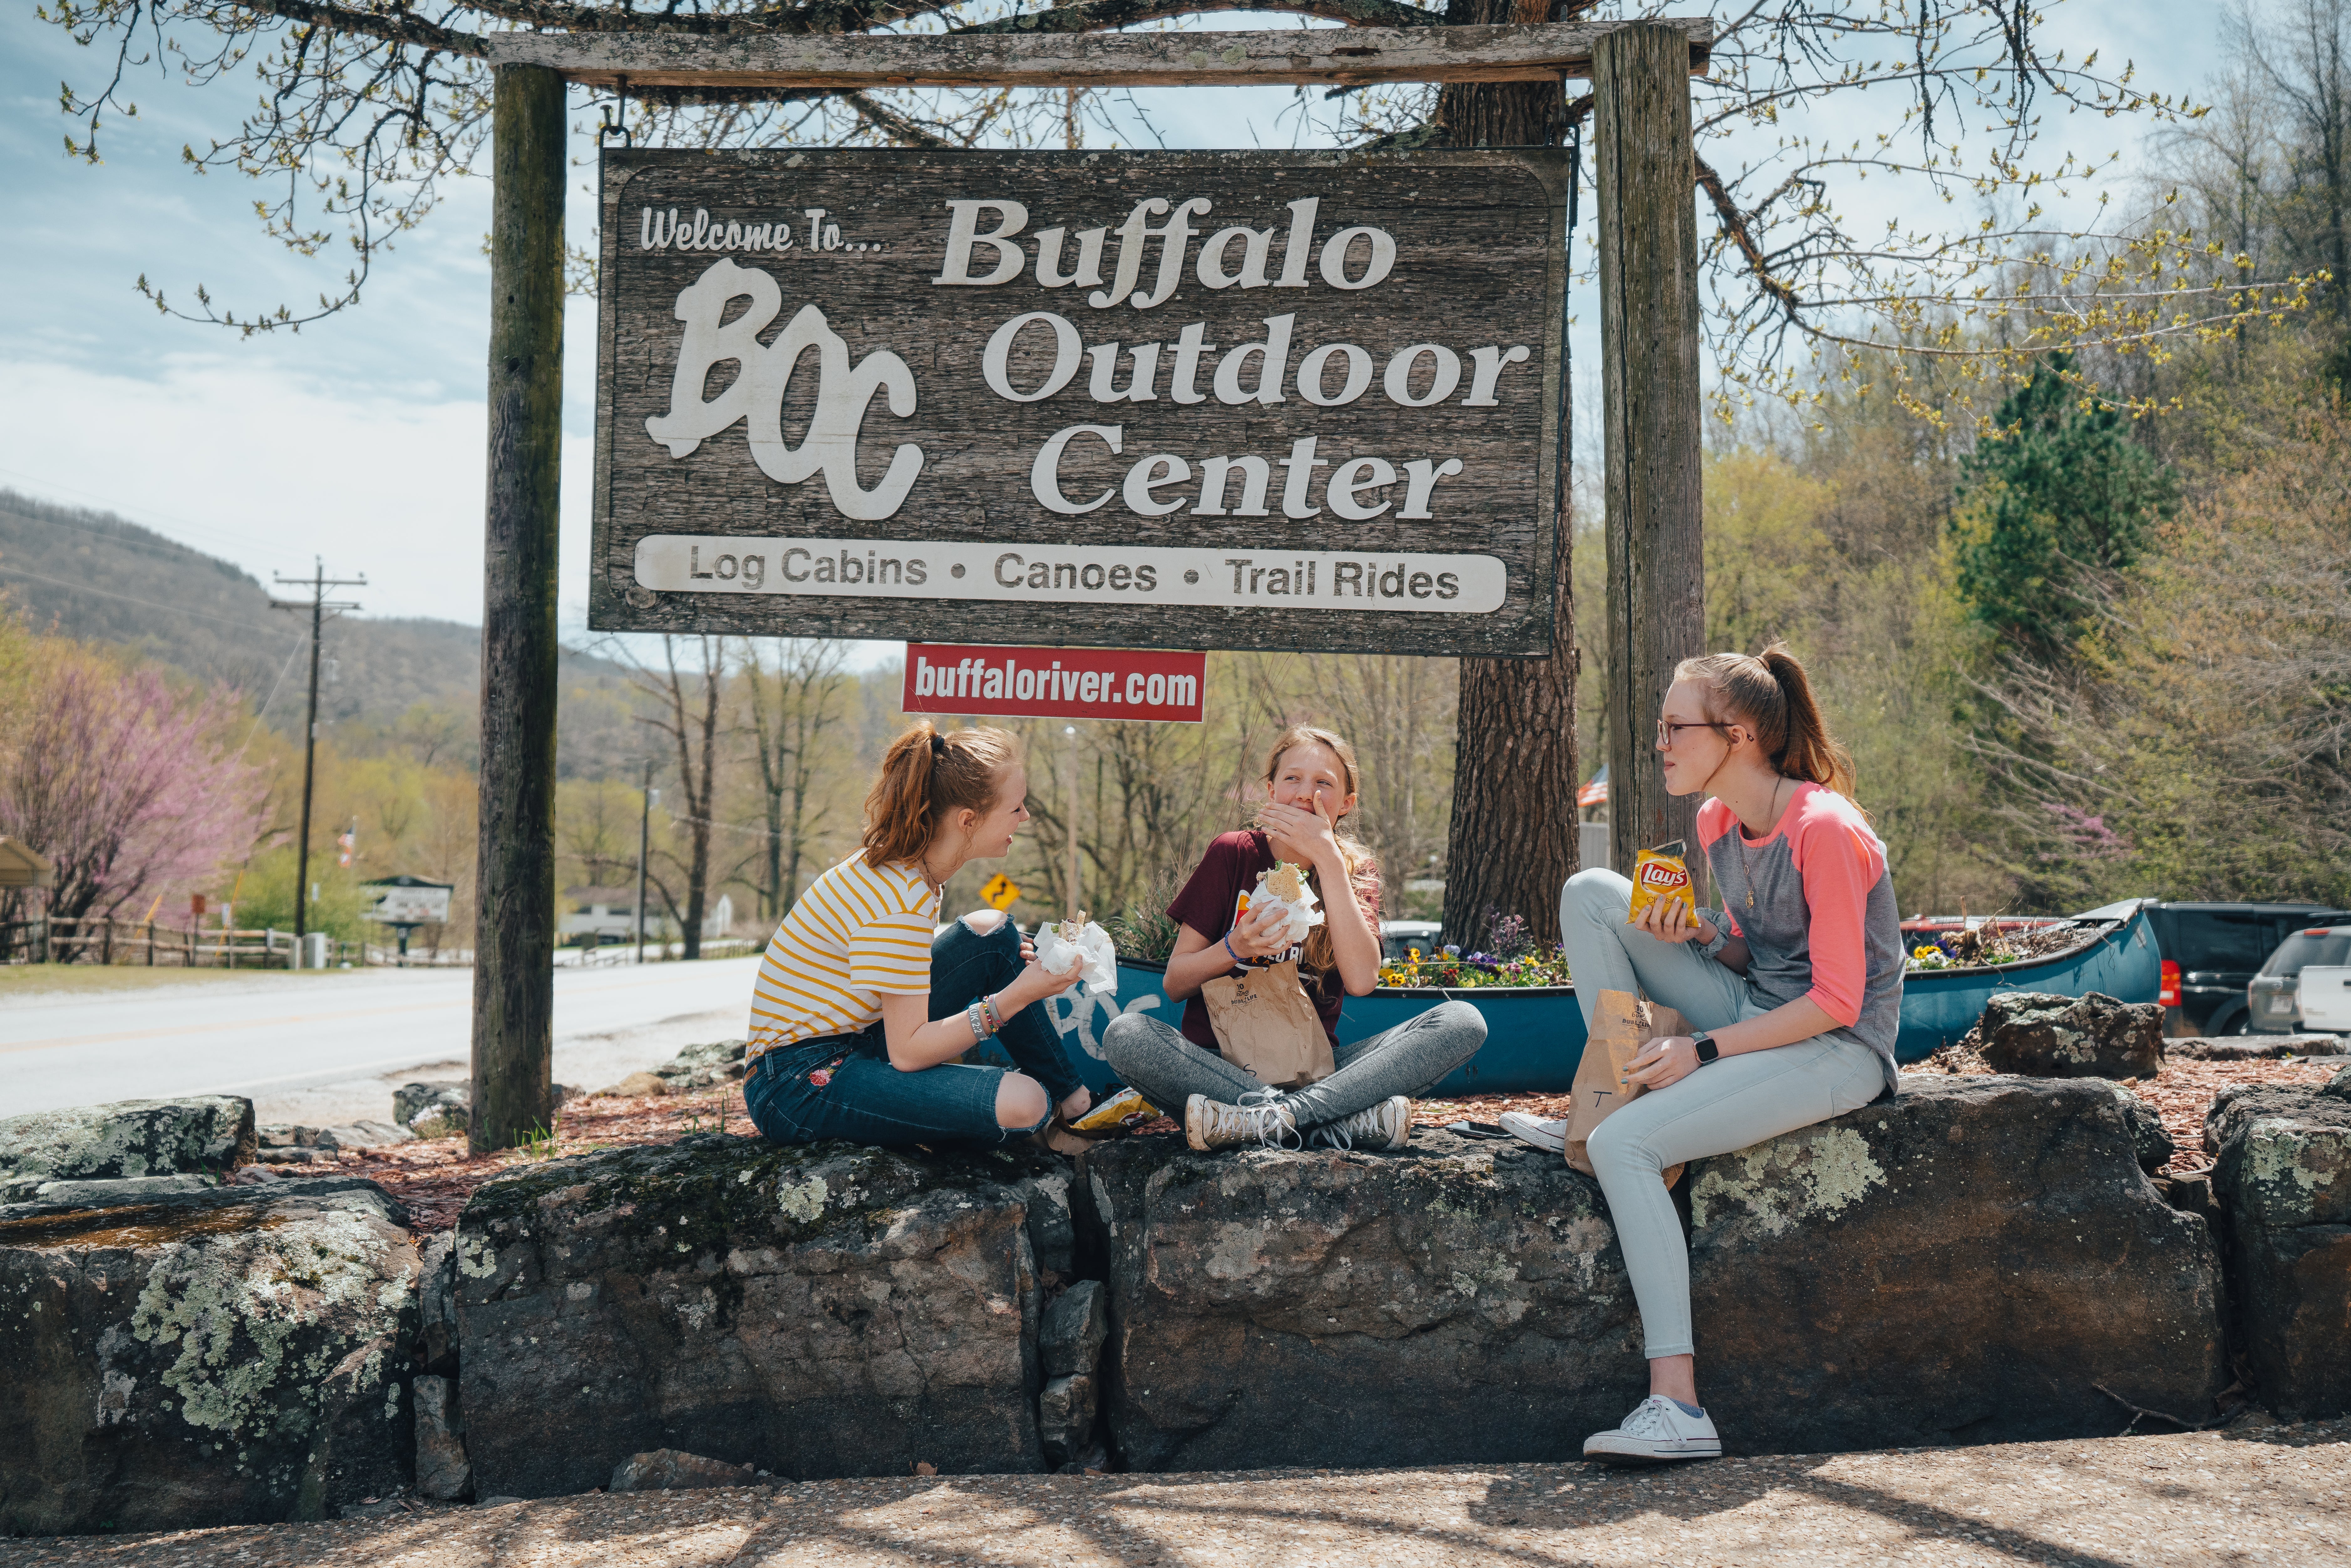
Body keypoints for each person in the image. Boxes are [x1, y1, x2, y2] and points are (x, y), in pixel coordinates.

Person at [1555, 643, 1903, 1465]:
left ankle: (1676, 1407)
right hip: (1759, 1010)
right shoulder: (1716, 819)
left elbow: (1835, 1000)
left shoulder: (1826, 829)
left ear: (1738, 734)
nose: (1660, 744)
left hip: (1836, 1050)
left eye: (1675, 727)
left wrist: (1699, 1050)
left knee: (1623, 1147)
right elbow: (1759, 951)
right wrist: (1708, 934)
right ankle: (1610, 1086)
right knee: (1592, 896)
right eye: (1660, 728)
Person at [1102, 725, 1486, 1152]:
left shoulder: (1355, 871)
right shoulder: (1232, 853)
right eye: (1292, 779)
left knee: (1461, 1021)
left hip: (1316, 1071)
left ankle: (1273, 1119)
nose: (1306, 793)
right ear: (1270, 790)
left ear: (1346, 804)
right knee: (1126, 1034)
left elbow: (1362, 980)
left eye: (1324, 783)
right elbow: (1175, 983)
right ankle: (1324, 1122)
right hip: (1218, 1072)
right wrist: (1236, 947)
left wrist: (1328, 859)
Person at [740, 722, 1091, 1149]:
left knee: (993, 931)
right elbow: (907, 1052)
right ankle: (1051, 1114)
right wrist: (1016, 995)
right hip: (800, 1082)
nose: (1025, 816)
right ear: (968, 820)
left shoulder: (912, 870)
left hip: (857, 1038)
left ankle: (1075, 1106)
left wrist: (1012, 980)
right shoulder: (900, 899)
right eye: (1015, 808)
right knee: (1025, 1103)